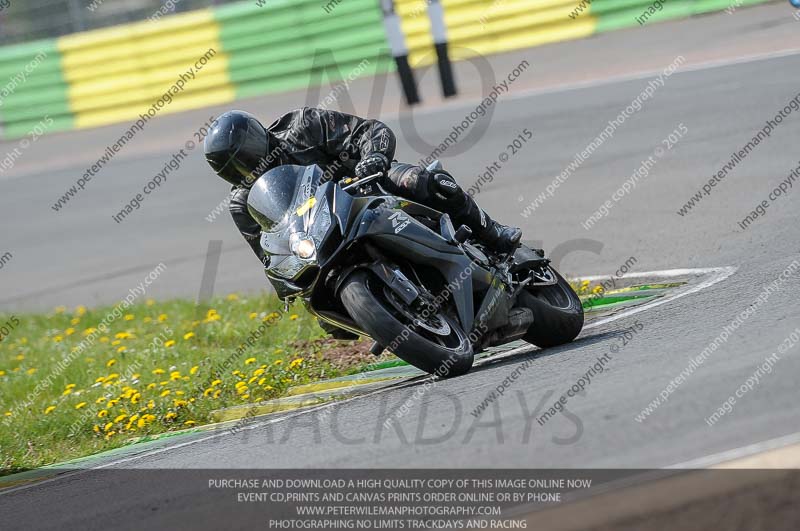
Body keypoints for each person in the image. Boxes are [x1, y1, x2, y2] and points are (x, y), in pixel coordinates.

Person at [205, 108, 521, 270]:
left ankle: (493, 233)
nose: (246, 168)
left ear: (256, 137)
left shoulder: (302, 126)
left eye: (245, 157)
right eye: (236, 168)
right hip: (321, 235)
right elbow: (269, 255)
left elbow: (369, 130)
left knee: (426, 183)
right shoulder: (243, 204)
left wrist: (373, 158)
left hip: (367, 186)